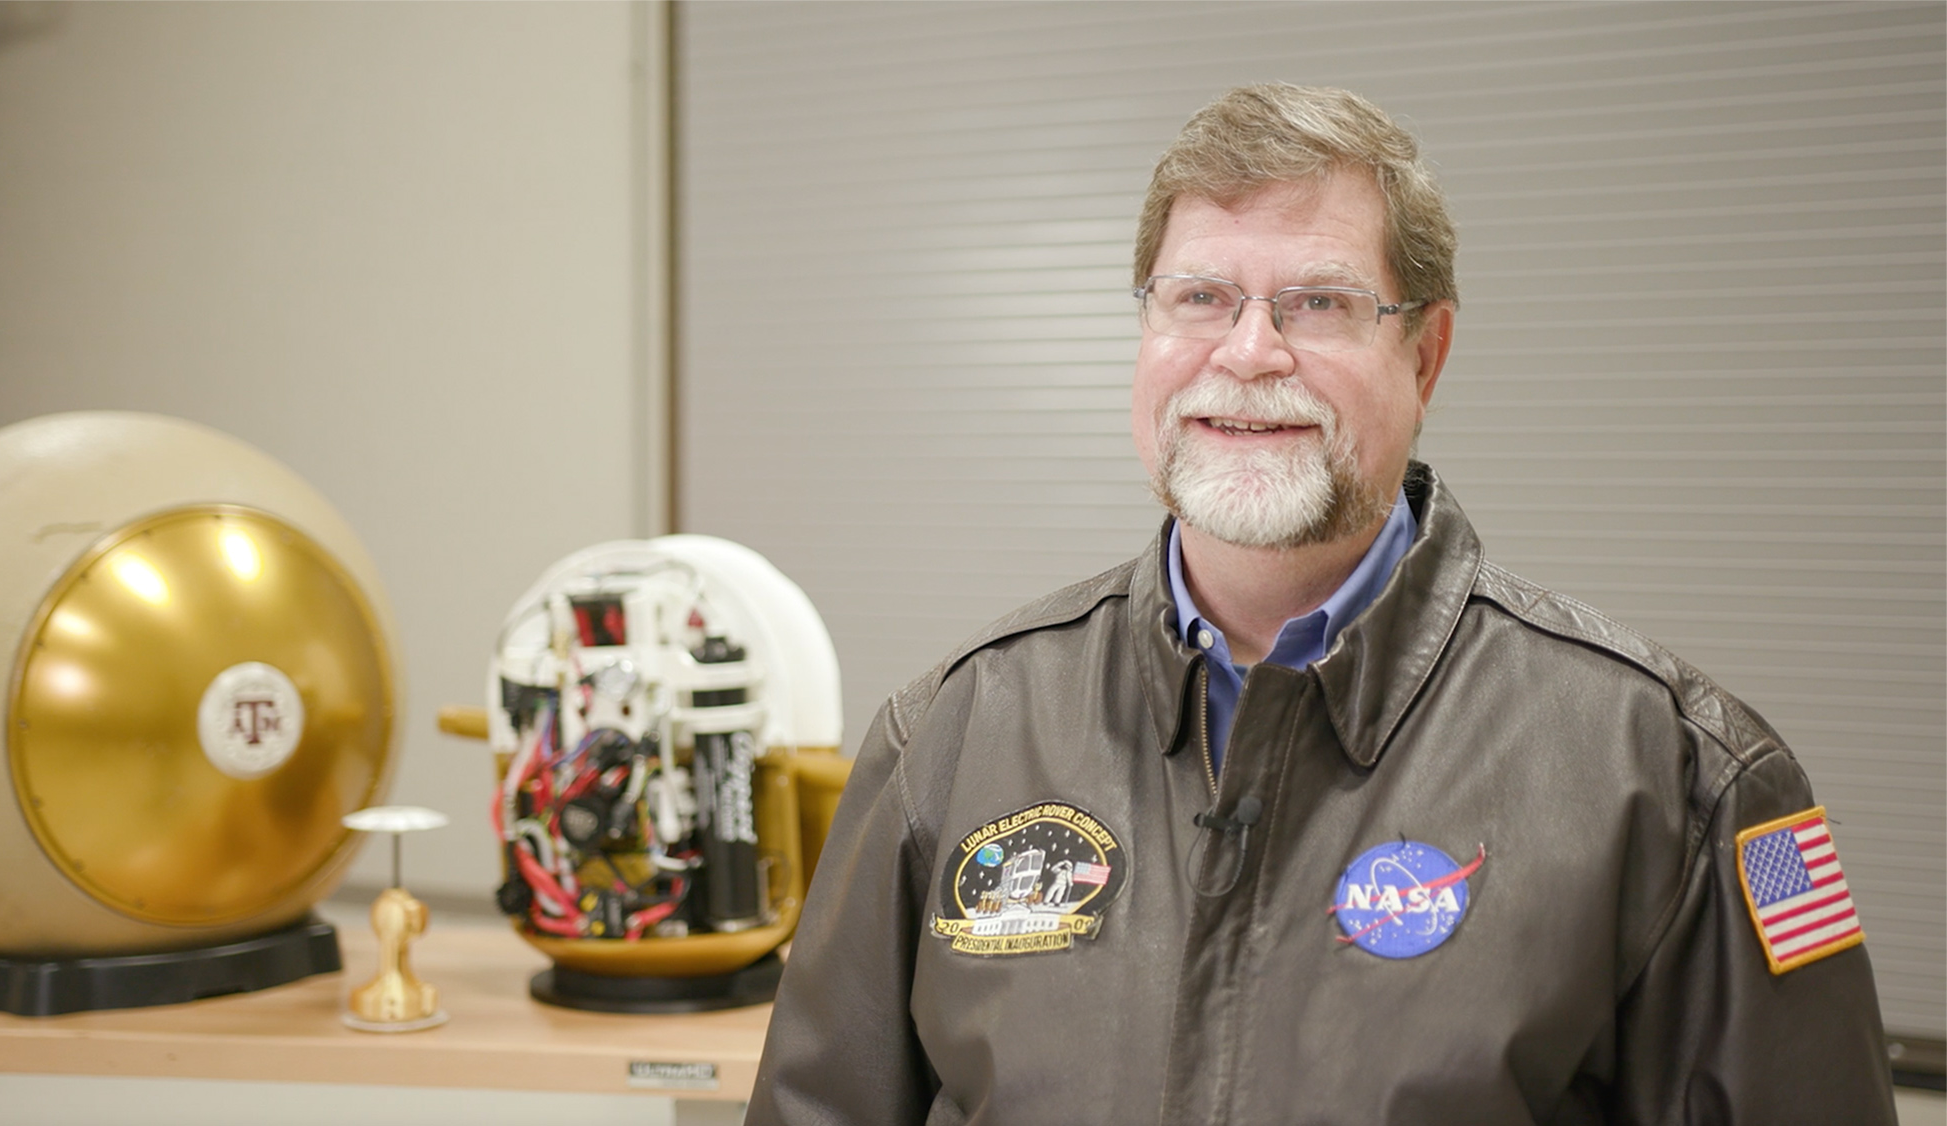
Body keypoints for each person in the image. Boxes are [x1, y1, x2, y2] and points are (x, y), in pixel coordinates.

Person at [746, 83, 1897, 1126]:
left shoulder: (1686, 779)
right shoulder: (947, 740)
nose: (1247, 353)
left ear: (1426, 357)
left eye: (1318, 303)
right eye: (1197, 296)